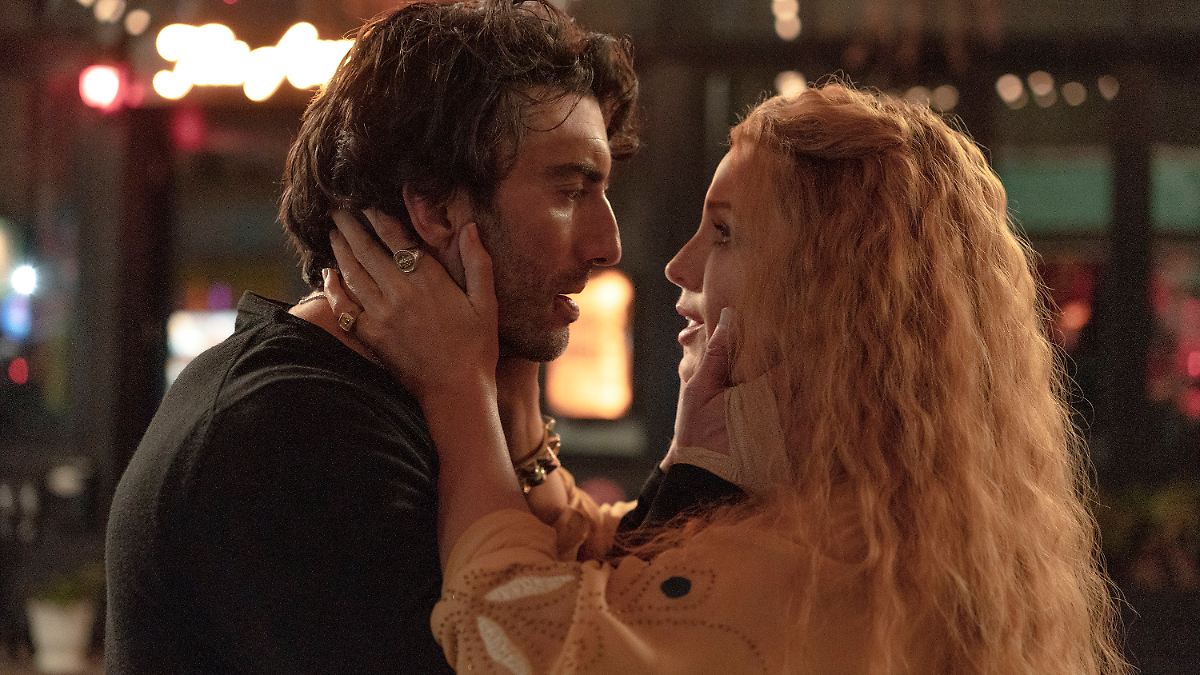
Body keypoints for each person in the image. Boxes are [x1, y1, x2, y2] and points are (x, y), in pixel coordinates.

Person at [323, 82, 1127, 673]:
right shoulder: (875, 510)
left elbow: (515, 632)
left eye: (726, 234)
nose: (679, 266)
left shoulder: (827, 561)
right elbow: (621, 576)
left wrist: (456, 388)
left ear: (828, 290)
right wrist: (521, 411)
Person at [104, 2, 637, 672]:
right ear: (435, 208)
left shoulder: (384, 401)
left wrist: (507, 401)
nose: (607, 244)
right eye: (570, 191)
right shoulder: (296, 431)